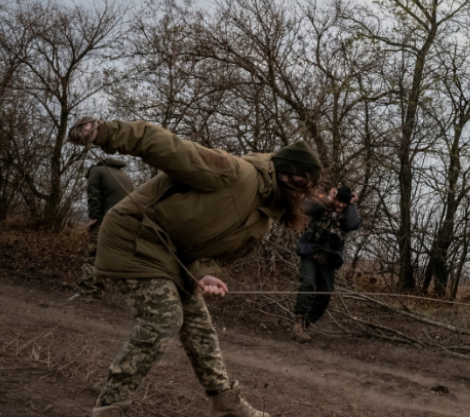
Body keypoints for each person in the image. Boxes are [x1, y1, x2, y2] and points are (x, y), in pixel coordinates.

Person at [66, 117, 322, 417]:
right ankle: (111, 405)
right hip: (135, 234)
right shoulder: (235, 172)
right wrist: (104, 132)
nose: (303, 199)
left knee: (199, 326)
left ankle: (224, 400)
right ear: (290, 177)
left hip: (172, 254)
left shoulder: (262, 219)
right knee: (164, 318)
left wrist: (205, 274)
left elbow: (217, 257)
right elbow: (168, 147)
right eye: (304, 189)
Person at [292, 185, 361, 343]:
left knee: (325, 294)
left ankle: (307, 322)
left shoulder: (347, 215)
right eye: (339, 201)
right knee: (307, 284)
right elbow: (306, 208)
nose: (340, 205)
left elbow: (352, 225)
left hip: (328, 261)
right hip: (310, 255)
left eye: (344, 202)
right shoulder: (322, 206)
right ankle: (298, 324)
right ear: (334, 198)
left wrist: (353, 204)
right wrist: (328, 199)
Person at [74, 157, 135, 300]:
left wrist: (94, 218)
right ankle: (97, 292)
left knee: (93, 255)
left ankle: (87, 293)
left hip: (110, 220)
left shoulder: (96, 171)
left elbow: (93, 195)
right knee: (105, 257)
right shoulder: (122, 174)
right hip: (128, 222)